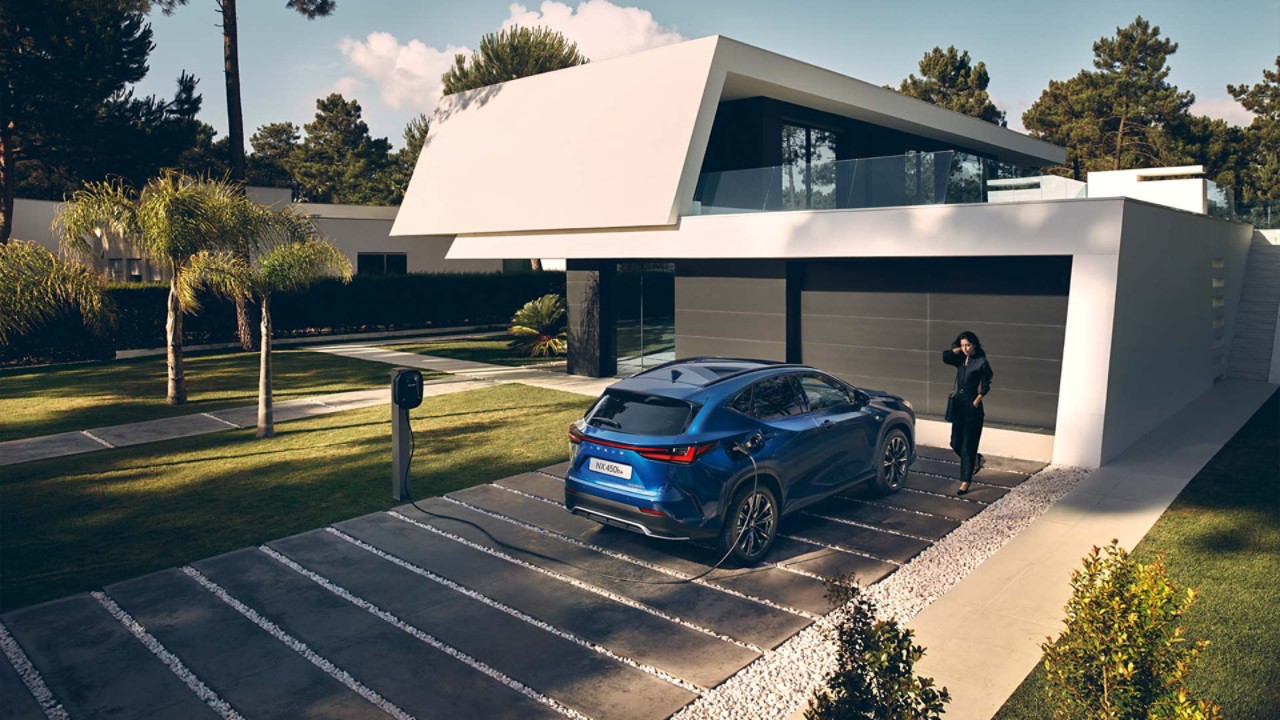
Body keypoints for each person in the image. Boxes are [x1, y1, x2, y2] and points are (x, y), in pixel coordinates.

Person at [942, 331, 993, 495]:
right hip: (958, 406)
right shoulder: (959, 359)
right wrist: (958, 349)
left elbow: (987, 382)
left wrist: (977, 400)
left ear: (975, 345)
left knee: (967, 446)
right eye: (963, 345)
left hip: (973, 407)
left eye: (968, 345)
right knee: (955, 442)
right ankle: (975, 460)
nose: (965, 348)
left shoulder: (981, 362)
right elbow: (945, 357)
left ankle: (965, 481)